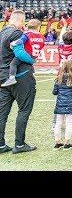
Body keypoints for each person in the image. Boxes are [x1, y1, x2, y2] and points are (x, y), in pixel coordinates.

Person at [0, 10, 37, 154]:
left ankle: (1, 145)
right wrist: (32, 60)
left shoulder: (2, 32)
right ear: (21, 21)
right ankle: (19, 144)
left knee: (2, 113)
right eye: (23, 22)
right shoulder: (17, 34)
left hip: (3, 78)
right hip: (21, 77)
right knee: (24, 109)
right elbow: (20, 53)